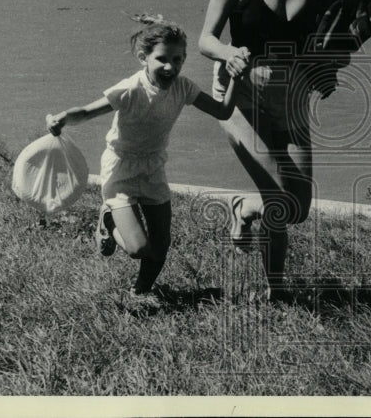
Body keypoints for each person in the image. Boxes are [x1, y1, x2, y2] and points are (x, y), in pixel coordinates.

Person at [198, 0, 333, 301]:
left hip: (292, 101)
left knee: (298, 207)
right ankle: (277, 290)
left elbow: (328, 39)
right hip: (242, 99)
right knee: (277, 194)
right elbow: (205, 38)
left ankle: (243, 207)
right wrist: (227, 53)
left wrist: (326, 68)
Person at [46, 16, 238, 304]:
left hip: (154, 167)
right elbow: (87, 112)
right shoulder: (130, 89)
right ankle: (108, 220)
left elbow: (223, 111)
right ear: (143, 58)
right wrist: (61, 118)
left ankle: (140, 291)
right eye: (161, 59)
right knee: (138, 249)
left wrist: (236, 76)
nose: (170, 67)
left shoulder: (183, 88)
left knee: (160, 246)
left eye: (178, 59)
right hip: (120, 167)